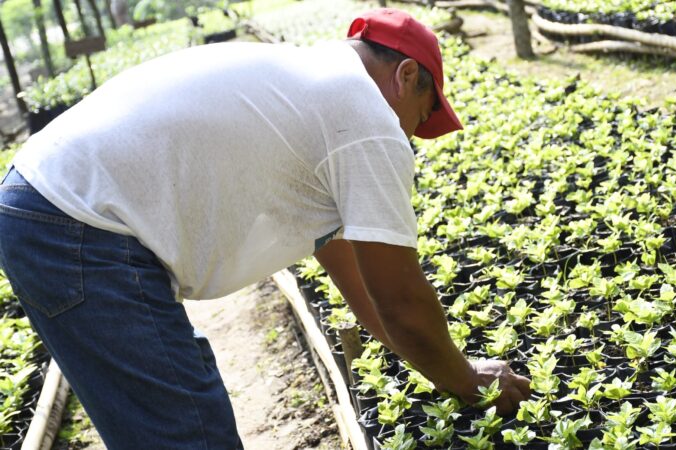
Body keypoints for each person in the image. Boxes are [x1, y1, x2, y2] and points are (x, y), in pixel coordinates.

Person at [0, 8, 530, 449]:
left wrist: (431, 361)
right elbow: (400, 300)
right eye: (423, 114)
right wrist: (469, 382)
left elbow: (365, 288)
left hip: (44, 205)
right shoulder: (365, 116)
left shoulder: (316, 87)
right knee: (188, 432)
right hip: (74, 223)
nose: (411, 133)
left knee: (167, 423)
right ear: (407, 75)